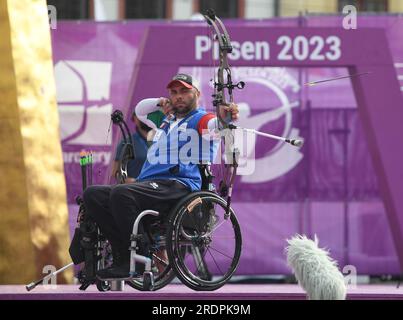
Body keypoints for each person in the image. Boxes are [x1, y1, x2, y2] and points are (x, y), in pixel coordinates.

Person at [83, 73, 239, 279]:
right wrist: (160, 102)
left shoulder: (202, 119)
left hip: (179, 185)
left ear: (197, 94)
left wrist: (225, 118)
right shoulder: (166, 120)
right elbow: (140, 109)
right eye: (174, 93)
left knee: (121, 193)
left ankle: (138, 255)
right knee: (93, 194)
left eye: (184, 91)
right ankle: (122, 255)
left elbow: (215, 125)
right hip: (150, 185)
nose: (178, 97)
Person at [111, 110, 152, 184]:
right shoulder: (127, 143)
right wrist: (131, 181)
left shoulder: (161, 141)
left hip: (156, 190)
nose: (146, 118)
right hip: (135, 191)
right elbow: (115, 172)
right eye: (142, 116)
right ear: (135, 119)